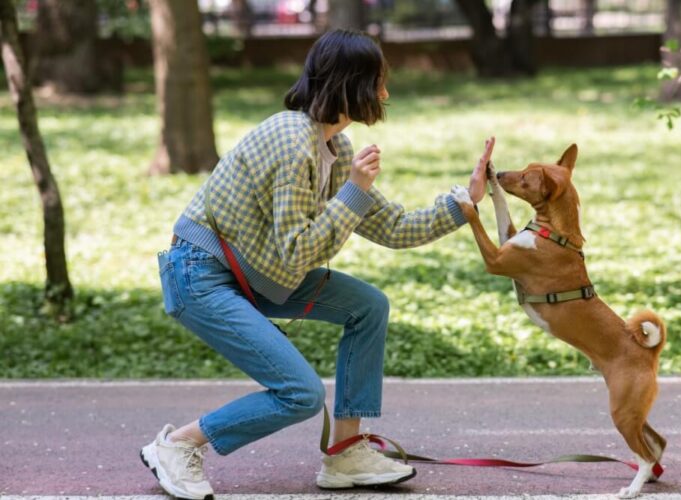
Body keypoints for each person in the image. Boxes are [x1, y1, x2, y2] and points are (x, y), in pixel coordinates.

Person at [140, 29, 494, 499]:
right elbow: (298, 251)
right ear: (352, 84)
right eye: (379, 81)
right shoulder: (293, 143)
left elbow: (395, 228)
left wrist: (464, 202)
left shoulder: (334, 148)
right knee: (300, 394)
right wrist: (353, 192)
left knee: (368, 306)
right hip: (200, 275)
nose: (385, 93)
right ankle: (178, 445)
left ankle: (345, 452)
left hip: (256, 273)